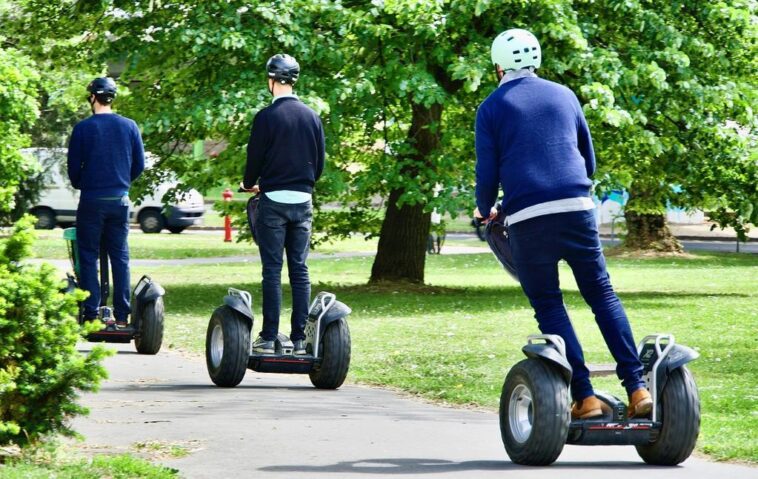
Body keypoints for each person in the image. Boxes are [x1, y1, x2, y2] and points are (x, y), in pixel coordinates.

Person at [474, 29, 653, 419]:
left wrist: (483, 208)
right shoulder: (565, 95)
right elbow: (588, 161)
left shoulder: (491, 107)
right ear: (536, 61)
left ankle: (585, 397)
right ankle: (638, 389)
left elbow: (487, 173)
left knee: (549, 305)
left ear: (498, 66)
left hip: (529, 218)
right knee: (602, 295)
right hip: (577, 208)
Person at [242, 54, 325, 355]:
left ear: (271, 80)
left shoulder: (266, 117)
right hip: (303, 200)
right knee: (300, 270)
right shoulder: (312, 116)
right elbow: (319, 165)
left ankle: (268, 337)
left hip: (273, 201)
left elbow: (255, 160)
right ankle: (301, 339)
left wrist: (249, 182)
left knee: (272, 270)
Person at [67, 77, 145, 326]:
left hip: (91, 200)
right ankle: (122, 316)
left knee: (88, 255)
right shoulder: (130, 126)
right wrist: (122, 181)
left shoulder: (83, 128)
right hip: (119, 200)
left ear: (92, 98)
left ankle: (92, 312)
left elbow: (73, 170)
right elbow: (139, 165)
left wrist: (84, 183)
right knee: (120, 256)